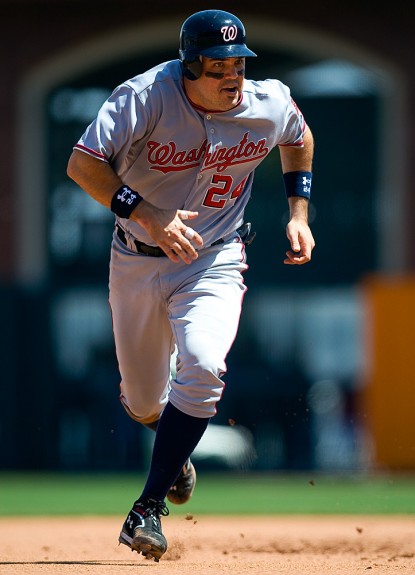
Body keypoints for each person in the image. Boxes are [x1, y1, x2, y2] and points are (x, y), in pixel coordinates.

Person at [67, 8, 315, 562]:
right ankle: (174, 450)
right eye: (219, 64)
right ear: (189, 65)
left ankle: (146, 509)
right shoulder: (144, 97)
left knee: (203, 365)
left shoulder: (268, 102)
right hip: (136, 258)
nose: (234, 74)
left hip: (215, 258)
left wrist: (299, 214)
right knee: (141, 400)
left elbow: (299, 140)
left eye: (240, 62)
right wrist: (149, 214)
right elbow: (83, 166)